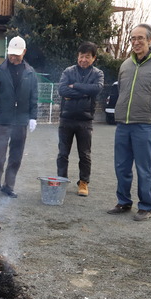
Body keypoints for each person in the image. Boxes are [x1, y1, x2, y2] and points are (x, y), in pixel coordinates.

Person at [107, 24, 151, 221]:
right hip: (123, 124)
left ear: (150, 40)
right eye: (133, 38)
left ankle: (145, 206)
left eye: (140, 38)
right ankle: (123, 202)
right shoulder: (125, 65)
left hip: (144, 125)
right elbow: (122, 92)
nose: (136, 42)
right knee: (121, 166)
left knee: (144, 168)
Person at [0, 36, 38, 200]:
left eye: (17, 54)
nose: (13, 57)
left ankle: (8, 186)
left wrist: (33, 117)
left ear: (24, 52)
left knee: (16, 157)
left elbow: (34, 96)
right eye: (11, 54)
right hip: (3, 121)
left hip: (21, 122)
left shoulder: (30, 72)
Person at [56, 42, 104, 197]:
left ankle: (83, 182)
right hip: (66, 118)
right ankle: (61, 180)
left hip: (85, 120)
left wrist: (75, 86)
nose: (83, 59)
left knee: (85, 154)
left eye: (87, 57)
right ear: (78, 56)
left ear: (94, 58)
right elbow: (62, 90)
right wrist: (85, 92)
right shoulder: (68, 71)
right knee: (63, 153)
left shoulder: (98, 73)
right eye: (81, 56)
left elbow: (96, 89)